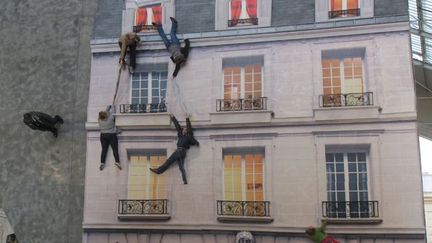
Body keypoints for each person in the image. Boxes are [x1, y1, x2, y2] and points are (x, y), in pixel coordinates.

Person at [149, 114, 199, 184]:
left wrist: (187, 119)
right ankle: (185, 181)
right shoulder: (181, 135)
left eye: (185, 129)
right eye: (183, 129)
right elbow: (177, 126)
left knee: (169, 161)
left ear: (187, 131)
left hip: (180, 151)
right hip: (181, 152)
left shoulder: (188, 137)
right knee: (181, 167)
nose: (184, 130)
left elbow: (189, 128)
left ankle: (159, 170)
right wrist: (173, 117)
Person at [98, 105, 121, 171]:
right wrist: (113, 107)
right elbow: (113, 113)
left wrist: (108, 108)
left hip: (103, 136)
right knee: (115, 149)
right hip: (111, 135)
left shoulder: (99, 120)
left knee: (104, 150)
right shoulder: (110, 118)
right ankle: (117, 162)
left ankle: (102, 163)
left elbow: (106, 113)